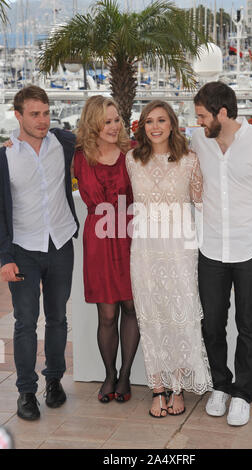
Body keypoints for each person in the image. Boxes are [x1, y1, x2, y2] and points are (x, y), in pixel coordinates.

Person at [191, 81, 252, 426]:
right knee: (212, 324)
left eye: (203, 116)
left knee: (249, 324)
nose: (198, 122)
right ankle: (221, 384)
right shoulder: (198, 142)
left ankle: (243, 393)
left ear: (222, 113)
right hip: (211, 249)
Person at [126, 100, 212, 418]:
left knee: (180, 316)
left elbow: (202, 202)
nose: (156, 126)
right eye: (149, 121)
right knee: (151, 319)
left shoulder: (190, 159)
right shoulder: (132, 159)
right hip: (145, 249)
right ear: (143, 127)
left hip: (180, 248)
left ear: (172, 124)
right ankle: (157, 389)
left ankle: (177, 388)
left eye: (162, 120)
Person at [0, 85, 79, 421]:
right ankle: (27, 392)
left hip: (60, 243)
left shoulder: (63, 143)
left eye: (46, 113)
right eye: (34, 114)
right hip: (24, 250)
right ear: (17, 115)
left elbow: (100, 135)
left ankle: (54, 381)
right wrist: (5, 258)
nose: (42, 120)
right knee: (25, 323)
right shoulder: (5, 156)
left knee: (59, 319)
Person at [73, 95, 140, 403]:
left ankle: (125, 375)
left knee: (131, 307)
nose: (113, 127)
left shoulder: (134, 152)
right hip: (99, 241)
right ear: (92, 124)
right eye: (106, 122)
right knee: (106, 313)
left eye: (116, 120)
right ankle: (109, 373)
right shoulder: (78, 156)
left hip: (130, 236)